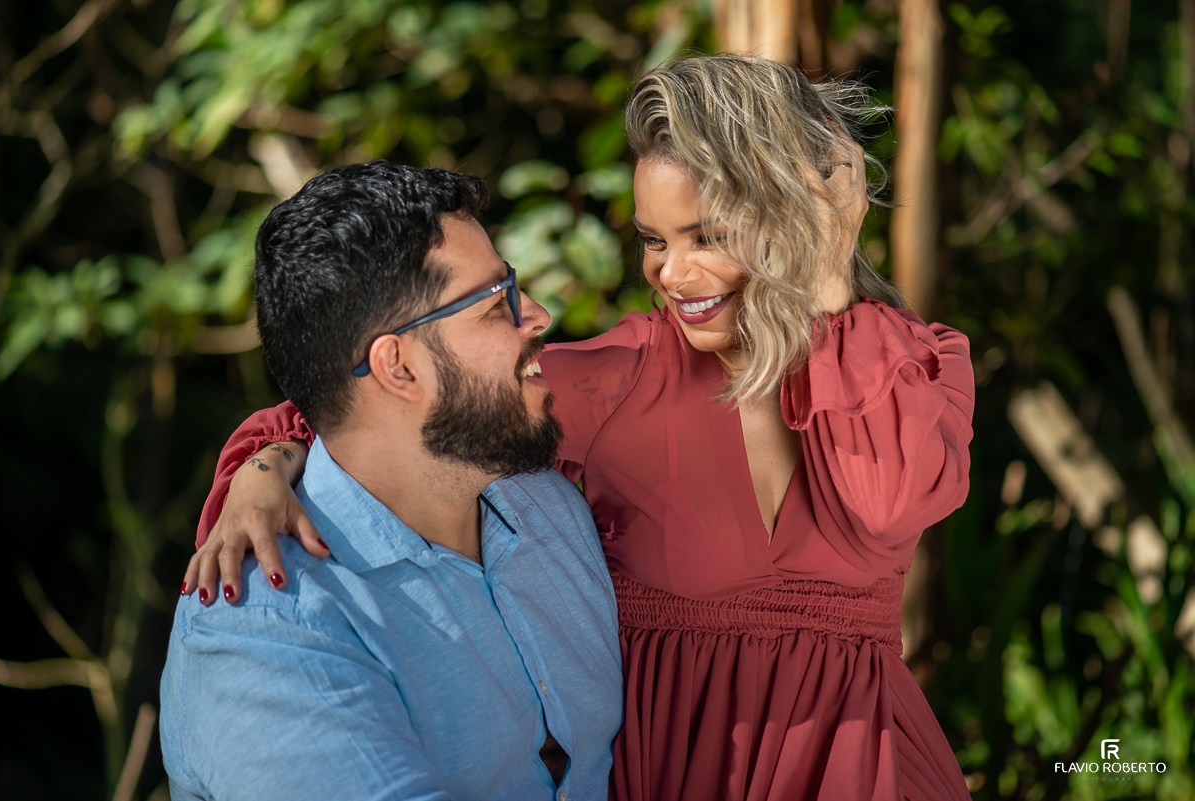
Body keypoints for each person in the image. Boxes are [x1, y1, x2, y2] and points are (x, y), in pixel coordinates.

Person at [187, 54, 975, 800]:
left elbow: (886, 496)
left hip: (870, 770)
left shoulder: (906, 362)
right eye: (654, 240)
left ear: (787, 218)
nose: (672, 272)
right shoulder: (619, 378)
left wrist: (832, 280)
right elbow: (375, 404)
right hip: (675, 775)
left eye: (708, 236)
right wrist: (263, 468)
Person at [160, 161, 623, 801]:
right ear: (398, 367)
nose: (538, 316)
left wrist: (272, 457)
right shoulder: (266, 627)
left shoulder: (547, 506)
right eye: (496, 305)